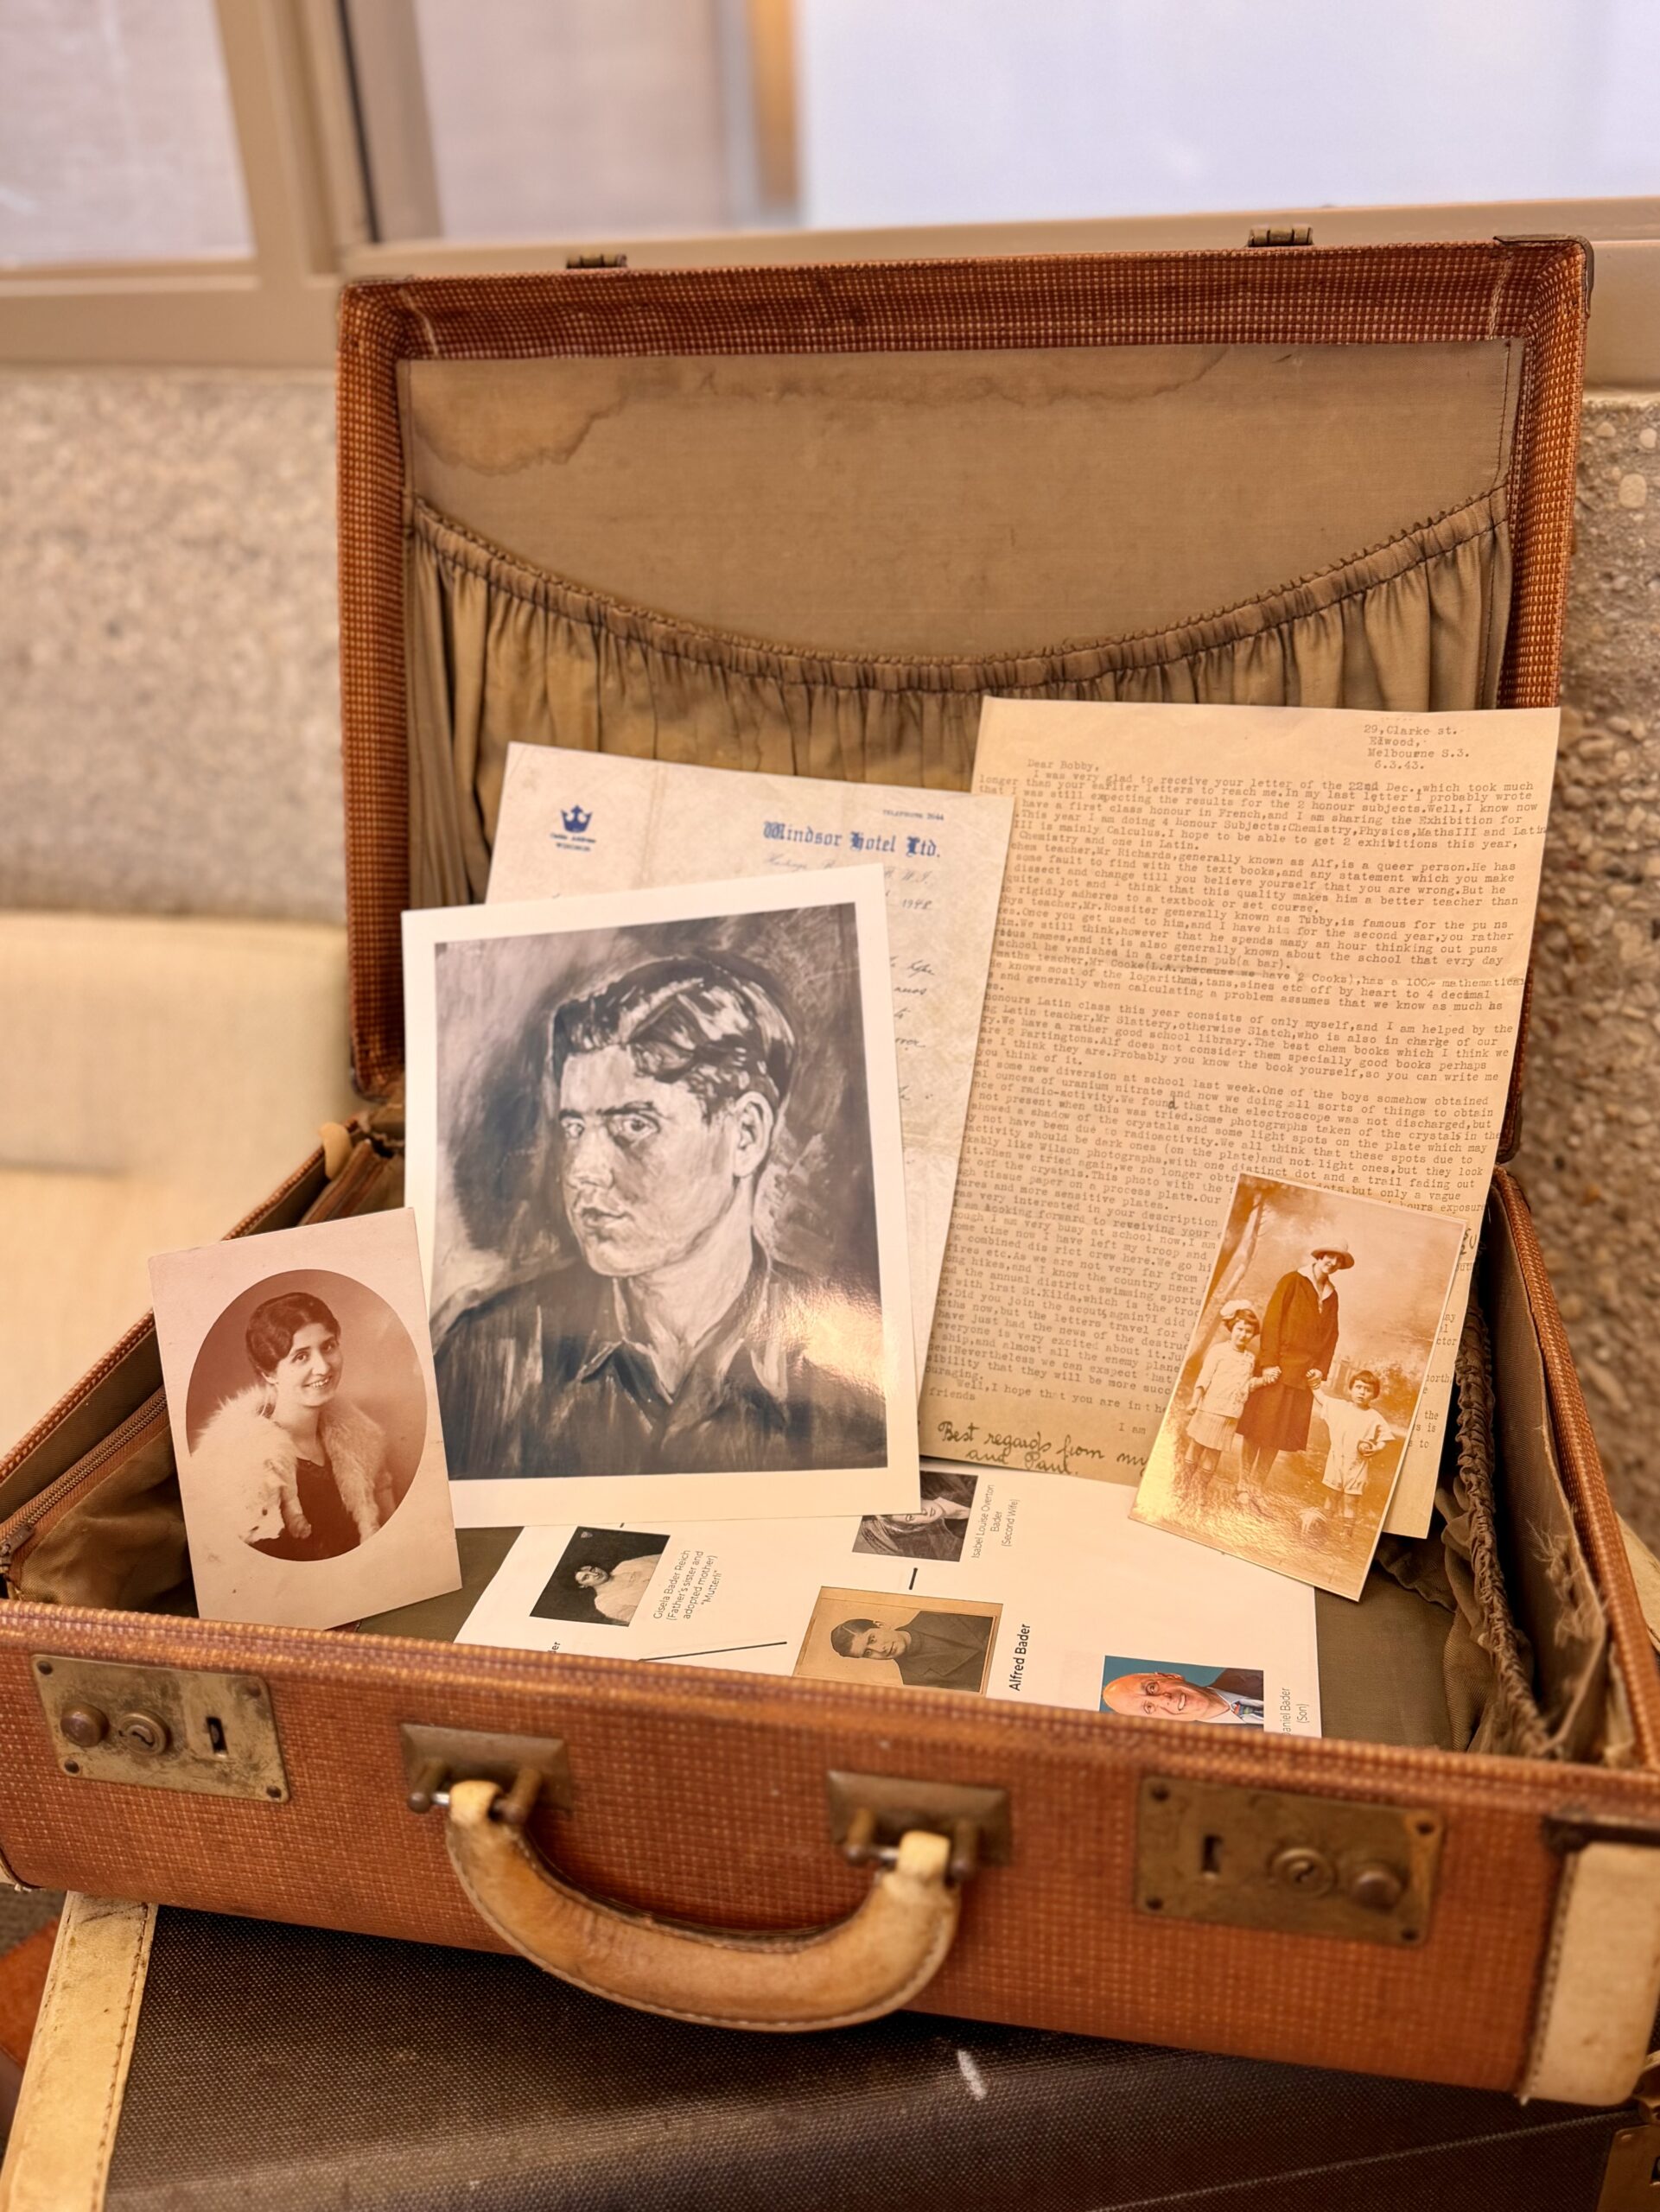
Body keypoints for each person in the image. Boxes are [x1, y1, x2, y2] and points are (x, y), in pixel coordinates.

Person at [436, 957, 888, 1481]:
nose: (582, 1172)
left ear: (745, 1134)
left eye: (634, 1123)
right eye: (575, 1128)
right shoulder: (487, 1354)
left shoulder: (848, 1374)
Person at [191, 1291, 395, 1561]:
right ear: (269, 1373)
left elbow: (392, 1541)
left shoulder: (362, 1441)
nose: (322, 1367)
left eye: (329, 1346)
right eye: (300, 1357)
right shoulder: (245, 1466)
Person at [1233, 1238, 1353, 1505]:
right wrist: (1269, 1362)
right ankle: (1242, 1483)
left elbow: (1331, 1335)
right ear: (1321, 1255)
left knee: (1279, 1432)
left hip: (1303, 1376)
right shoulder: (1292, 1280)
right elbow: (1273, 1320)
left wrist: (1320, 1370)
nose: (1332, 1263)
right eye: (1329, 1256)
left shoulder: (1332, 1296)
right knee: (1259, 1427)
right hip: (1278, 1368)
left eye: (1338, 1260)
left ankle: (1257, 1487)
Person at [1180, 1301, 1269, 1490]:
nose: (1243, 1334)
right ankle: (1184, 1485)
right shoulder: (1218, 1351)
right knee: (1196, 1447)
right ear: (1232, 1327)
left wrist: (1263, 1380)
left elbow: (1246, 1386)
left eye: (1248, 1331)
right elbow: (1204, 1378)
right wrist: (1195, 1401)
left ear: (1253, 1334)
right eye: (1240, 1329)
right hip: (1208, 1409)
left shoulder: (1249, 1359)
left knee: (1214, 1453)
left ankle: (1200, 1489)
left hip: (1229, 1415)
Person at [828, 1610, 993, 1692]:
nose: (880, 1650)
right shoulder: (917, 1683)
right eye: (868, 1653)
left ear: (881, 1625)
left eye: (872, 1639)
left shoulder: (935, 1611)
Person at [1313, 1370, 1395, 1522]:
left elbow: (1385, 1437)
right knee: (1331, 1496)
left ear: (1374, 1395)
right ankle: (1323, 1529)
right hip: (1336, 1460)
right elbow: (1321, 1398)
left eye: (1368, 1390)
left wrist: (1376, 1448)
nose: (1362, 1392)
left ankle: (1346, 1537)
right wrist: (1313, 1381)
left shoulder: (1374, 1417)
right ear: (1351, 1389)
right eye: (1358, 1387)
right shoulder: (1340, 1407)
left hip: (1357, 1464)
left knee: (1351, 1501)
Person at [854, 1476, 974, 1560]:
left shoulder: (956, 1483)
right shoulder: (956, 1530)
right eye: (910, 1517)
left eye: (913, 1506)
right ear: (915, 1525)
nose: (921, 1513)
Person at [1099, 1666, 1264, 1726]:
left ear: (1171, 1676)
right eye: (1149, 1707)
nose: (1164, 1699)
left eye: (1151, 1688)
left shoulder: (1253, 1668)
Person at [573, 1554, 660, 1624]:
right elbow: (646, 1620)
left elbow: (665, 1558)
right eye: (586, 1577)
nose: (595, 1574)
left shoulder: (625, 1565)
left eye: (592, 1569)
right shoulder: (605, 1603)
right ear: (582, 1586)